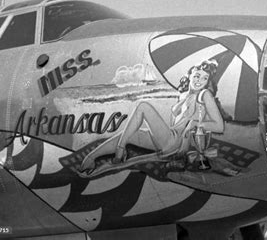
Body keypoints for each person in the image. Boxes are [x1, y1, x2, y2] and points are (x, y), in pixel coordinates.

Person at [80, 59, 224, 172]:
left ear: (207, 83)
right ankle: (91, 158)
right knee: (127, 134)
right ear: (190, 75)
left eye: (204, 79)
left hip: (175, 142)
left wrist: (196, 124)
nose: (199, 81)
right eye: (197, 76)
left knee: (143, 106)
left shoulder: (204, 95)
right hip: (169, 138)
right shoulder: (183, 95)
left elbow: (219, 125)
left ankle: (120, 150)